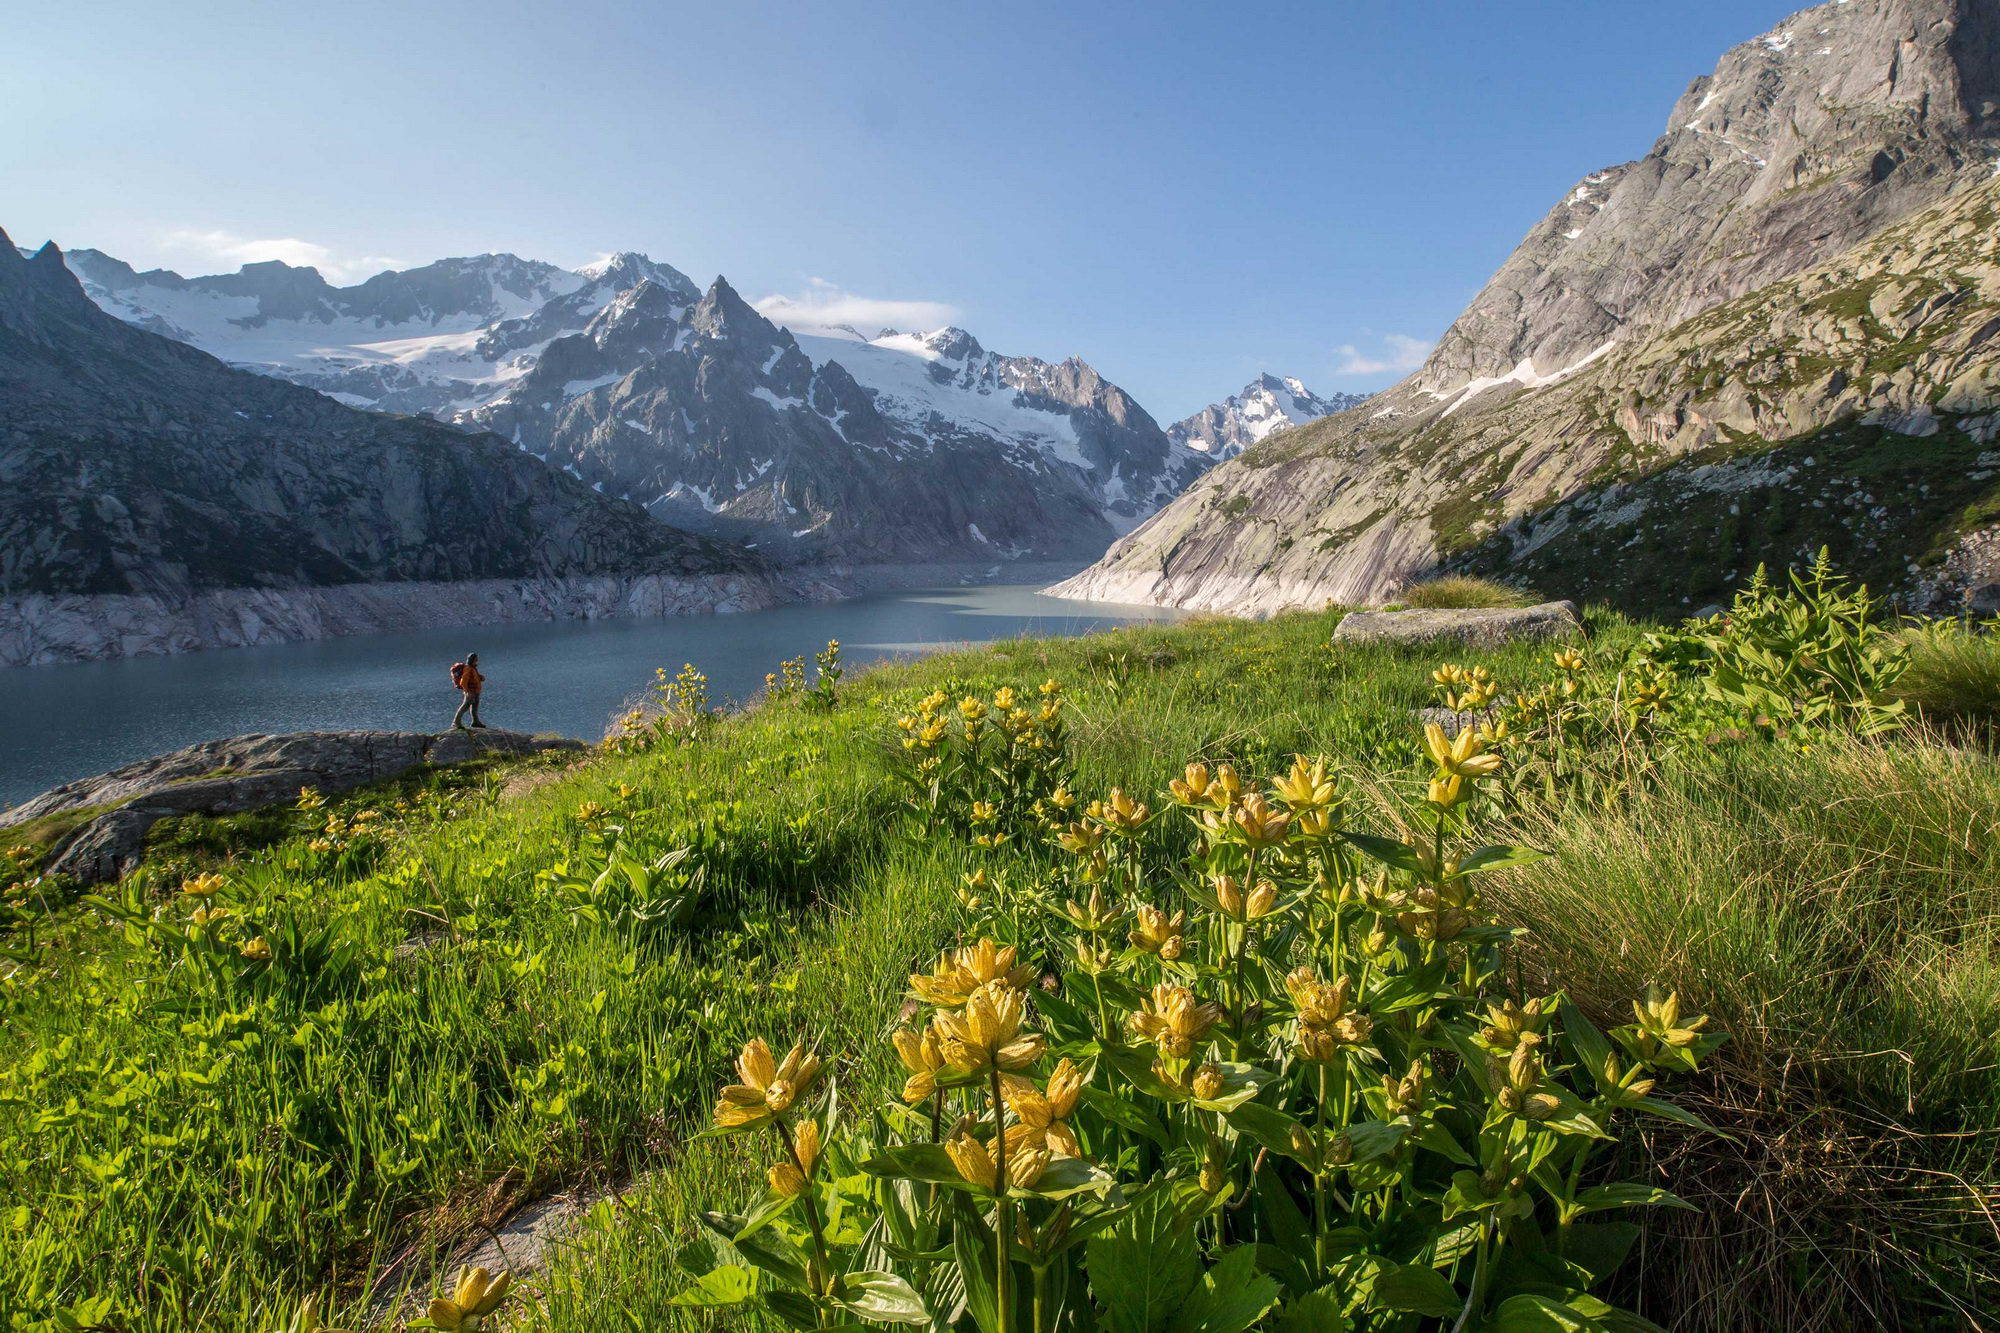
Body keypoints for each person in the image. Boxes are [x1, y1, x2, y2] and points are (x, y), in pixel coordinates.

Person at [450, 652, 487, 729]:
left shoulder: (473, 668)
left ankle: (475, 721)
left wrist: (480, 677)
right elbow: (463, 682)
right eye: (476, 659)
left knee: (474, 707)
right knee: (465, 706)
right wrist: (467, 691)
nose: (477, 660)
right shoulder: (468, 668)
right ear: (472, 659)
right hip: (471, 691)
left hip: (476, 691)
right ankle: (456, 722)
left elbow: (474, 677)